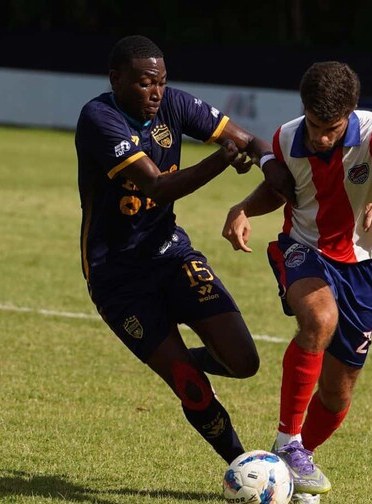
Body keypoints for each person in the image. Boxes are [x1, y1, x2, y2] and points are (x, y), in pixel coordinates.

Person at [221, 61, 372, 499]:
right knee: (319, 320)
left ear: (351, 113)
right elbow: (280, 189)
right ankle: (289, 441)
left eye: (332, 127)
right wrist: (244, 209)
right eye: (315, 124)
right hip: (302, 247)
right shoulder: (287, 137)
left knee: (338, 391)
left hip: (362, 264)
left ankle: (294, 460)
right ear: (303, 110)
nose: (322, 136)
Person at [75, 35, 286, 465]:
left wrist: (271, 167)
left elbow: (245, 139)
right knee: (190, 385)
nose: (155, 93)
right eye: (144, 84)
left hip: (171, 254)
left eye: (161, 82)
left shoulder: (174, 103)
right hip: (117, 278)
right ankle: (243, 467)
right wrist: (222, 160)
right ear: (116, 79)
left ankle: (173, 359)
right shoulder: (99, 118)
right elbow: (157, 184)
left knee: (243, 361)